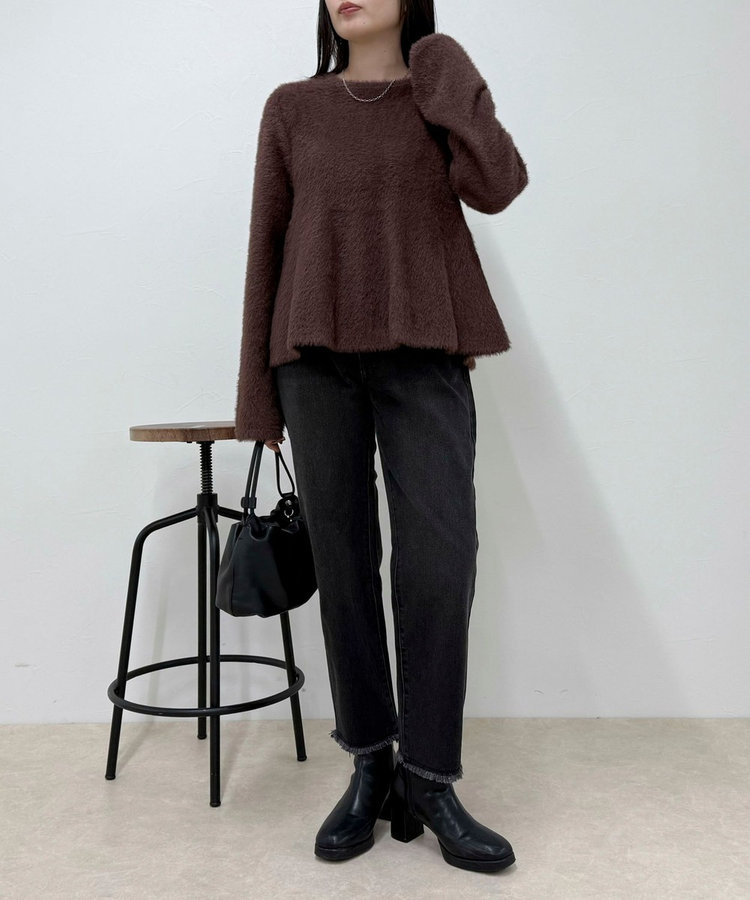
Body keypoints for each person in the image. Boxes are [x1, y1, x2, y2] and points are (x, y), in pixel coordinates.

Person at [234, 0, 528, 874]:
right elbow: (266, 246)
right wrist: (257, 399)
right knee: (345, 564)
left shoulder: (437, 89)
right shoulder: (293, 106)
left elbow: (500, 185)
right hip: (313, 361)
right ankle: (371, 764)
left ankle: (430, 779)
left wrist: (445, 69)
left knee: (441, 558)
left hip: (425, 352)